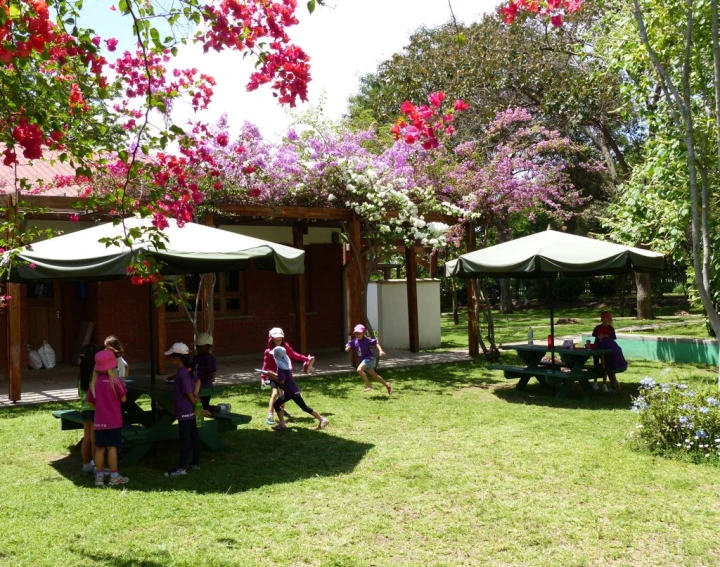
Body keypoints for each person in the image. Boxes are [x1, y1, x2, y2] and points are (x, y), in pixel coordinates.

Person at [86, 349, 129, 487]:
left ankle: (98, 476)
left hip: (99, 421)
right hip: (114, 421)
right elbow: (123, 399)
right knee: (112, 448)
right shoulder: (116, 381)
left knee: (99, 448)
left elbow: (90, 401)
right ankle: (114, 475)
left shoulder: (95, 382)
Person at [265, 344, 327, 431]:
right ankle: (322, 419)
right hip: (292, 390)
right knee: (304, 407)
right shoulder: (285, 364)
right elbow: (282, 377)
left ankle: (282, 424)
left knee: (277, 404)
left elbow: (281, 381)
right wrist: (272, 374)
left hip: (290, 391)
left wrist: (270, 375)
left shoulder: (280, 367)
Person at [260, 327, 315, 426]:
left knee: (283, 394)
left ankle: (281, 412)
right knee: (274, 393)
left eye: (279, 339)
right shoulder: (268, 351)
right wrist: (263, 378)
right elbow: (265, 364)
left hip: (283, 375)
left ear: (282, 338)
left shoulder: (285, 347)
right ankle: (270, 415)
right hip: (272, 376)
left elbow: (294, 355)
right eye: (275, 340)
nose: (277, 342)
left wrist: (306, 359)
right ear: (271, 339)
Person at [164, 342, 200, 478]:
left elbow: (188, 392)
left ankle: (181, 468)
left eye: (171, 357)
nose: (169, 359)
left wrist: (195, 403)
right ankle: (195, 463)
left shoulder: (183, 373)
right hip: (189, 411)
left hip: (184, 411)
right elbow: (197, 382)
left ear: (177, 358)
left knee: (185, 440)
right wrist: (196, 398)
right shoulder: (187, 370)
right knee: (194, 437)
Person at [77, 343, 104, 474]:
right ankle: (95, 466)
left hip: (84, 409)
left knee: (86, 436)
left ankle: (86, 464)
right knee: (94, 438)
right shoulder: (95, 377)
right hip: (94, 409)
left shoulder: (81, 377)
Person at [345, 324, 391, 394]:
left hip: (369, 358)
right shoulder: (354, 341)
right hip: (365, 360)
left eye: (359, 333)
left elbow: (376, 342)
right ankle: (387, 385)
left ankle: (368, 385)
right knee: (375, 376)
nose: (358, 335)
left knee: (359, 370)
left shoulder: (366, 340)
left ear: (364, 333)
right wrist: (347, 348)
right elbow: (348, 345)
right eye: (356, 334)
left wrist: (380, 351)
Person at [592, 310, 627, 393]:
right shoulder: (598, 327)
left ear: (609, 319)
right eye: (602, 317)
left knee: (606, 365)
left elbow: (612, 337)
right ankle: (595, 382)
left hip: (607, 349)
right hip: (598, 347)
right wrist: (599, 337)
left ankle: (607, 383)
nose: (603, 319)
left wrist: (605, 337)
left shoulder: (610, 329)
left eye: (605, 318)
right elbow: (595, 334)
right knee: (596, 363)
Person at [192, 332, 217, 417]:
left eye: (200, 346)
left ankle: (220, 408)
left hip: (205, 387)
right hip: (195, 386)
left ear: (208, 346)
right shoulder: (195, 358)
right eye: (197, 346)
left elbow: (211, 373)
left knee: (203, 407)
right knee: (194, 406)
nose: (197, 348)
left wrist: (201, 382)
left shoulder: (210, 358)